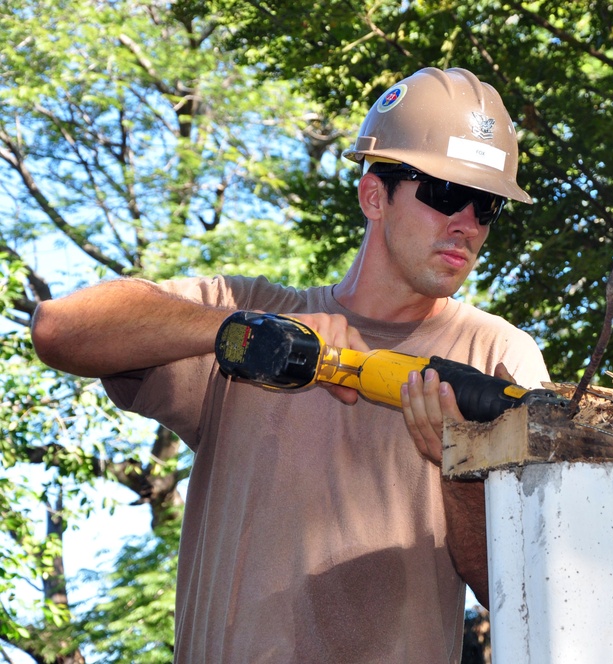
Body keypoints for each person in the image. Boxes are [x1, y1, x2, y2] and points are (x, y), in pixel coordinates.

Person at [31, 67, 550, 663]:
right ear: (373, 194)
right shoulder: (257, 315)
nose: (467, 222)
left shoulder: (499, 360)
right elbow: (58, 328)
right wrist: (247, 333)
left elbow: (522, 591)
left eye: (487, 206)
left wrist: (460, 472)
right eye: (444, 194)